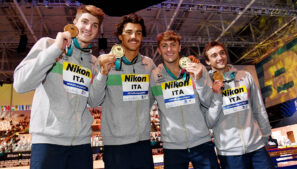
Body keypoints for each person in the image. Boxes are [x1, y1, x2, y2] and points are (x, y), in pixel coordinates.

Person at [13, 5, 104, 169]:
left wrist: (102, 74)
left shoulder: (93, 62)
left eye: (95, 25)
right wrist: (55, 50)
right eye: (84, 21)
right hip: (48, 143)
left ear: (98, 31)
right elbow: (20, 84)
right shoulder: (48, 45)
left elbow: (93, 101)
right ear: (74, 23)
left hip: (81, 146)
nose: (89, 28)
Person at [150, 30, 223, 169]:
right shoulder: (154, 77)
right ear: (159, 50)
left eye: (173, 44)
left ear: (179, 47)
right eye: (164, 46)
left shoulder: (197, 68)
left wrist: (199, 78)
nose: (169, 49)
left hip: (202, 143)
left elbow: (208, 102)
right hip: (173, 147)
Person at [203, 41, 275, 169]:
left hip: (256, 146)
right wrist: (217, 96)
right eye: (214, 55)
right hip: (229, 152)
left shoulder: (245, 76)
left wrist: (266, 134)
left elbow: (258, 107)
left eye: (222, 53)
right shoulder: (206, 86)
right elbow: (209, 122)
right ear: (207, 61)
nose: (220, 57)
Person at [97, 14, 156, 169]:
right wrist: (102, 73)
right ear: (119, 36)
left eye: (138, 33)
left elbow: (152, 97)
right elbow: (94, 100)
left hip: (142, 142)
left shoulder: (149, 64)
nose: (134, 37)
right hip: (116, 144)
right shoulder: (106, 62)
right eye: (129, 32)